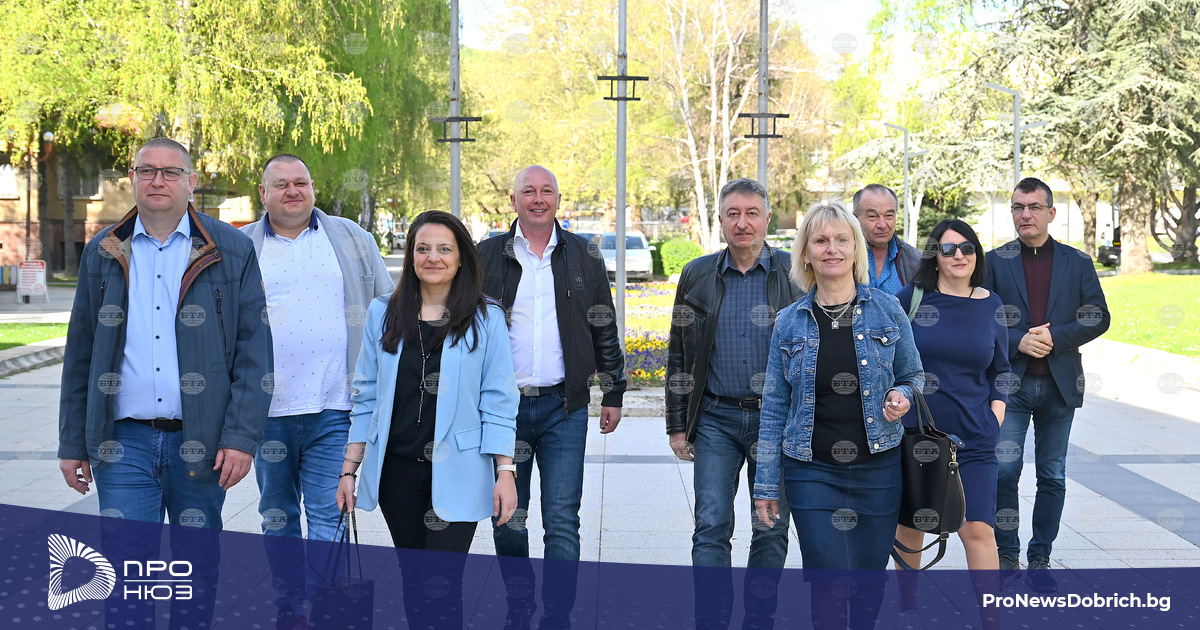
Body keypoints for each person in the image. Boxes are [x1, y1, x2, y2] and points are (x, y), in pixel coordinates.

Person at [58, 137, 273, 629]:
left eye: (171, 172)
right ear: (132, 178)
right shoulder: (102, 251)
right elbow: (81, 353)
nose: (158, 180)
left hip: (201, 441)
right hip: (122, 442)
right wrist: (72, 443)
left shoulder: (231, 249)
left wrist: (241, 438)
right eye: (147, 170)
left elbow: (255, 353)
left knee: (196, 566)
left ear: (191, 182)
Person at [336, 210, 518, 629]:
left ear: (461, 257)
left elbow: (499, 399)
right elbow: (365, 395)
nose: (432, 257)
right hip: (397, 474)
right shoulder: (383, 312)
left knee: (443, 584)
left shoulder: (486, 317)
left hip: (459, 470)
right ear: (410, 256)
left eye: (443, 249)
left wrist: (505, 471)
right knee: (413, 580)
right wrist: (349, 469)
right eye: (422, 248)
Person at [753, 200, 922, 629]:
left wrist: (901, 395)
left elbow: (913, 374)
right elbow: (773, 409)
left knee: (869, 580)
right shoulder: (789, 322)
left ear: (856, 249)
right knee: (825, 579)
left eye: (842, 240)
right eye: (821, 240)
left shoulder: (887, 309)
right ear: (806, 253)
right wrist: (766, 485)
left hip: (879, 467)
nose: (832, 249)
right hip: (811, 471)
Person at [241, 153, 392, 628]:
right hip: (267, 412)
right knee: (277, 514)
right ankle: (290, 604)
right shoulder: (241, 246)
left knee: (330, 514)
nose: (293, 191)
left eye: (301, 182)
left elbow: (386, 310)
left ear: (312, 188)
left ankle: (324, 606)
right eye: (281, 184)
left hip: (335, 408)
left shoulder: (351, 238)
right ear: (263, 193)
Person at [477, 165, 626, 630]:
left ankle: (558, 614)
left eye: (546, 191)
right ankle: (519, 605)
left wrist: (613, 390)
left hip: (565, 406)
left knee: (562, 518)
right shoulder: (485, 255)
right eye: (528, 191)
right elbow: (465, 327)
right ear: (513, 199)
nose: (538, 198)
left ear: (559, 199)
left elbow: (603, 323)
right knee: (508, 515)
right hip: (504, 409)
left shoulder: (584, 254)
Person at [665, 178, 801, 629]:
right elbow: (679, 353)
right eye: (733, 214)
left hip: (775, 422)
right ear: (721, 220)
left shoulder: (795, 273)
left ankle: (758, 618)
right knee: (710, 526)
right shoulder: (697, 275)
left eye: (752, 213)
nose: (743, 223)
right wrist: (677, 424)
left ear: (767, 218)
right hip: (715, 419)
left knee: (770, 527)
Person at [985, 177, 1110, 592]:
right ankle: (1007, 554)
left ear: (1051, 213)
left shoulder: (1077, 262)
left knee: (1052, 475)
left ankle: (1040, 557)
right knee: (1004, 471)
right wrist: (1017, 339)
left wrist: (1056, 336)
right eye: (1018, 207)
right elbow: (980, 316)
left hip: (1059, 385)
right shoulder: (994, 261)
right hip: (1011, 386)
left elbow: (1097, 316)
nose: (1026, 215)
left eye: (1034, 207)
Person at [892, 220, 1010, 630]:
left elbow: (1001, 370)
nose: (959, 255)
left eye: (967, 247)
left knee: (978, 528)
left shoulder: (992, 304)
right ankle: (908, 607)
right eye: (948, 249)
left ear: (977, 254)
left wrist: (995, 416)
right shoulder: (911, 299)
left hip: (975, 438)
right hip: (918, 436)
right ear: (935, 257)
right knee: (912, 525)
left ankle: (990, 619)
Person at [852, 184, 921, 293]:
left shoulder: (916, 261)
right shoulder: (840, 257)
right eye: (872, 216)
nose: (882, 225)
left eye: (889, 216)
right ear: (855, 218)